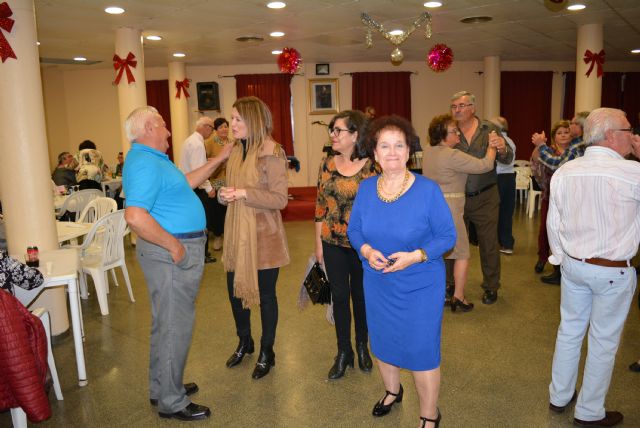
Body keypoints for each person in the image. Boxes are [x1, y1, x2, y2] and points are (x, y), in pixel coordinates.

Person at [123, 106, 232, 421]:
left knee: (165, 324)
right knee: (175, 327)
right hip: (170, 253)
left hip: (170, 251)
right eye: (163, 126)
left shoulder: (152, 160)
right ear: (148, 127)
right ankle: (172, 401)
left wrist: (219, 159)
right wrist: (174, 246)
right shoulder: (144, 162)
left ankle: (162, 387)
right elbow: (135, 216)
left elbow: (186, 182)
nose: (169, 133)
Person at [348, 115, 456, 428]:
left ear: (409, 151)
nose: (392, 152)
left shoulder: (427, 190)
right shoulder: (367, 189)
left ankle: (429, 415)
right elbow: (355, 230)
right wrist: (367, 251)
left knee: (422, 350)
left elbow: (447, 237)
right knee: (382, 341)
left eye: (399, 145)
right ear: (375, 153)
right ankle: (392, 391)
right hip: (378, 281)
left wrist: (416, 256)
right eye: (385, 146)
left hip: (420, 284)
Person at [547, 107, 640, 428]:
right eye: (630, 129)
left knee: (569, 330)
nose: (634, 135)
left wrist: (560, 258)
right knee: (603, 341)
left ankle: (559, 395)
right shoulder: (632, 173)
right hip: (614, 270)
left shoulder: (566, 171)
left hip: (574, 265)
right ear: (613, 135)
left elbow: (553, 223)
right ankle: (589, 411)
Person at [217, 96, 289, 380]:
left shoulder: (272, 152)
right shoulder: (235, 150)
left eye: (237, 119)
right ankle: (245, 341)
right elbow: (231, 188)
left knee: (267, 298)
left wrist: (245, 193)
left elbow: (280, 199)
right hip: (237, 234)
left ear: (254, 121)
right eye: (231, 118)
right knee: (235, 293)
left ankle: (266, 351)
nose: (231, 124)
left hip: (265, 237)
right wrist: (225, 195)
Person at [314, 110, 378, 380]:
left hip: (363, 245)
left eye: (338, 130)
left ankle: (362, 346)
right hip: (332, 242)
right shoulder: (327, 163)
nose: (333, 134)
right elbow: (319, 207)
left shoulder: (373, 166)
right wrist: (318, 244)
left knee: (361, 297)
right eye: (332, 129)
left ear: (355, 135)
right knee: (339, 297)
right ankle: (344, 352)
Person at [423, 114, 495, 313]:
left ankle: (442, 292)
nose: (458, 133)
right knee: (462, 253)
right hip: (451, 209)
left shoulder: (429, 151)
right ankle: (459, 296)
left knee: (439, 253)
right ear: (444, 136)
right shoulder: (451, 155)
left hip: (433, 208)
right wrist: (492, 148)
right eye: (454, 131)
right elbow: (485, 165)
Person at [449, 91, 513, 305]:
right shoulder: (449, 131)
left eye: (461, 105)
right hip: (457, 197)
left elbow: (507, 157)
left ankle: (491, 286)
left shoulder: (489, 129)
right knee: (453, 242)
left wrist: (502, 148)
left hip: (485, 196)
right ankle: (451, 285)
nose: (457, 110)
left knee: (488, 243)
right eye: (454, 106)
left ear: (473, 108)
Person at [530, 120, 573, 284]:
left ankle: (561, 267)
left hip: (570, 199)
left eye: (566, 132)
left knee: (565, 231)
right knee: (546, 230)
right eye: (559, 133)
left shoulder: (574, 152)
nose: (563, 135)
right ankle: (543, 258)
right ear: (554, 137)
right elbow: (535, 159)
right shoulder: (549, 150)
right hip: (550, 196)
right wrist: (540, 144)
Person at [179, 116, 217, 264]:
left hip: (187, 187)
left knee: (194, 221)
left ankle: (198, 253)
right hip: (197, 189)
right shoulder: (198, 144)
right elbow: (199, 171)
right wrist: (209, 188)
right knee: (203, 222)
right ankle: (203, 254)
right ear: (205, 127)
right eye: (212, 129)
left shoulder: (190, 140)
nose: (212, 132)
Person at [491, 117, 516, 255]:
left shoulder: (499, 142)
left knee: (496, 212)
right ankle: (507, 243)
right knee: (506, 212)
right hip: (510, 178)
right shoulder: (511, 141)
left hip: (499, 178)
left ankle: (499, 242)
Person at [205, 117, 231, 251]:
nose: (224, 129)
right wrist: (218, 161)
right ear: (215, 130)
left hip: (231, 183)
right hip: (215, 183)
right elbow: (203, 160)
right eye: (221, 127)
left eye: (226, 126)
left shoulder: (233, 143)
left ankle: (229, 237)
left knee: (229, 212)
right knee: (217, 213)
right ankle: (218, 236)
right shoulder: (209, 142)